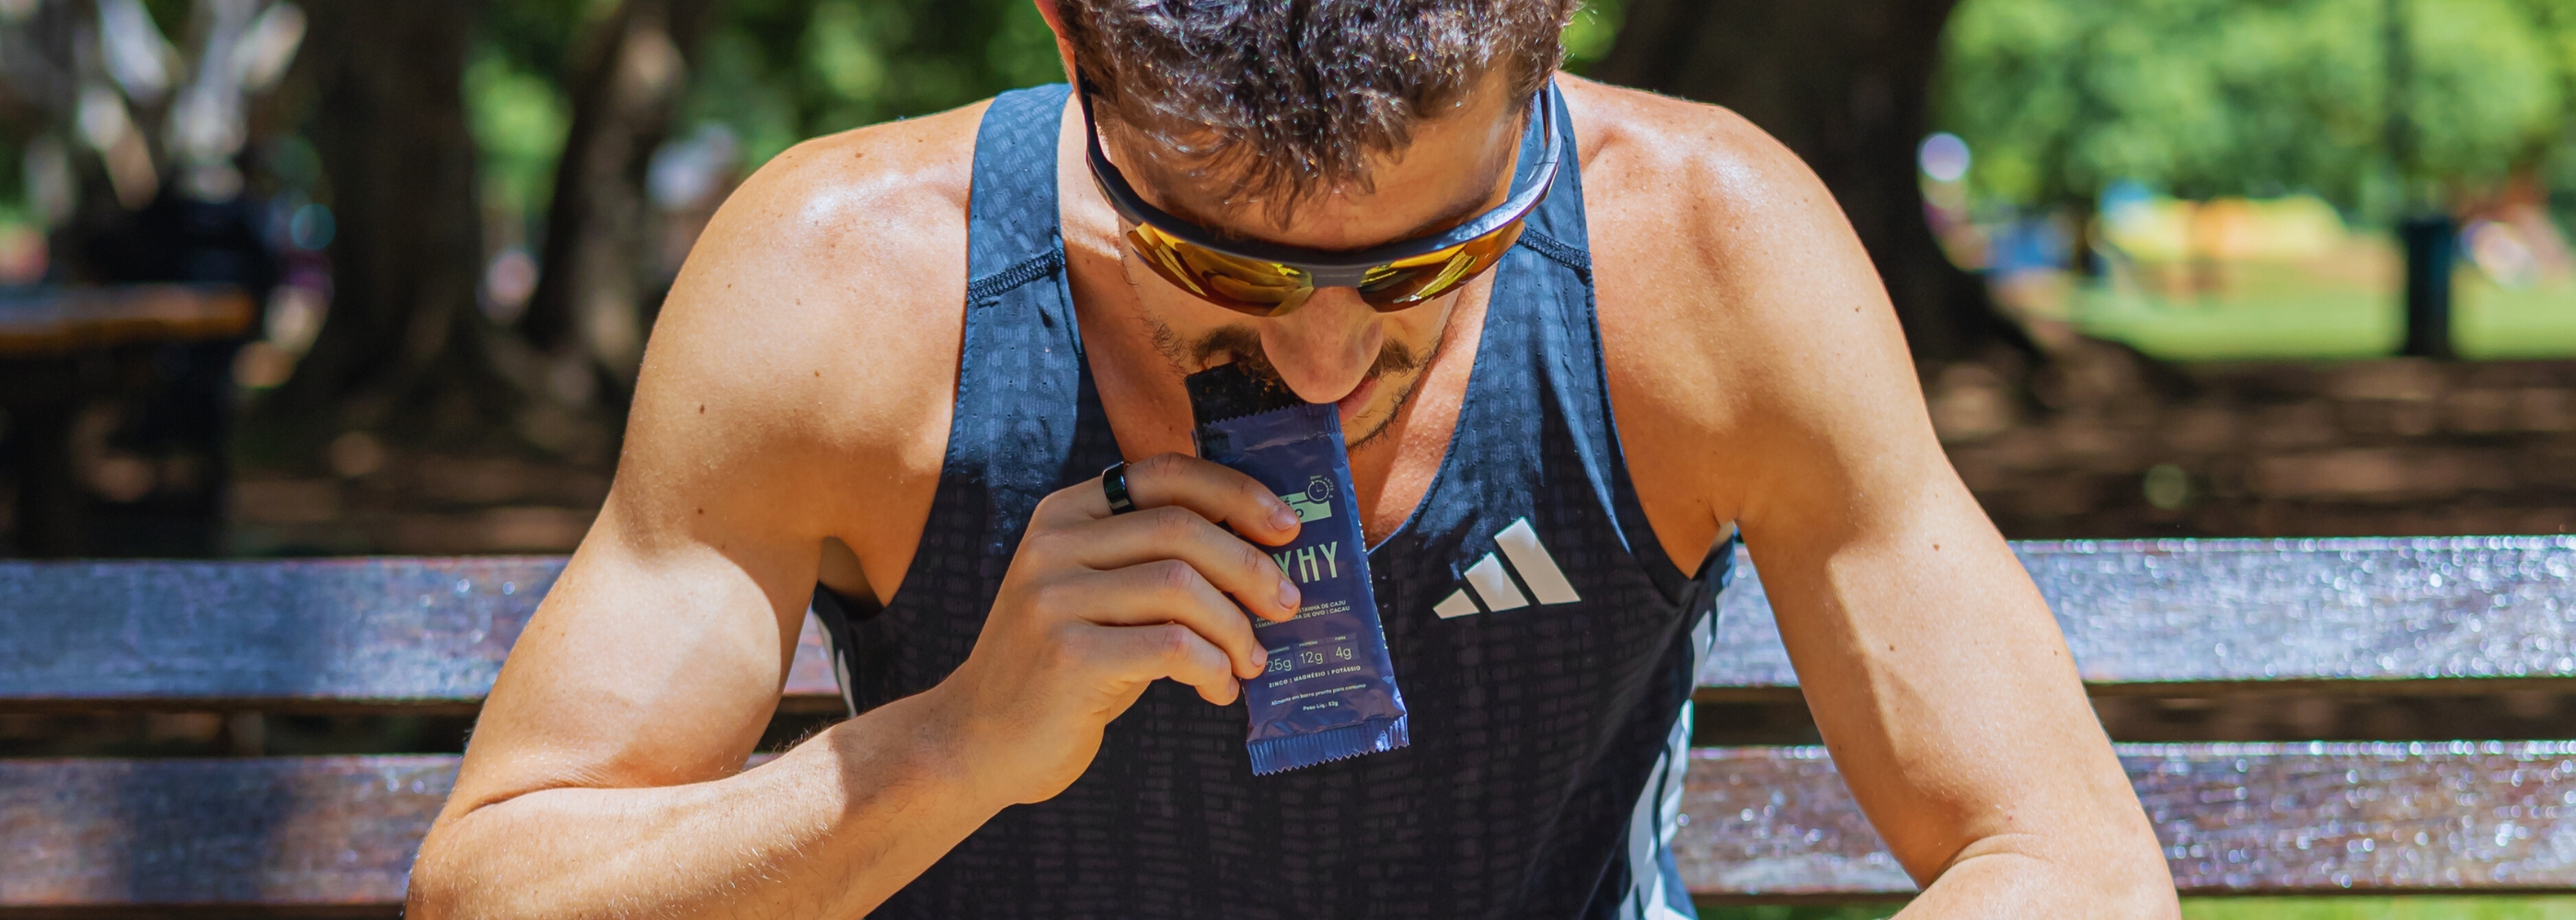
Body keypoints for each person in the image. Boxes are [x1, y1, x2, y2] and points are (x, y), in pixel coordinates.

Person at [408, 1, 2178, 916]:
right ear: (1070, 41)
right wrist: (949, 744)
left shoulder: (1707, 257)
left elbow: (2075, 862)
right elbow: (496, 891)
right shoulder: (847, 287)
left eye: (1429, 257)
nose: (1327, 362)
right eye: (1222, 263)